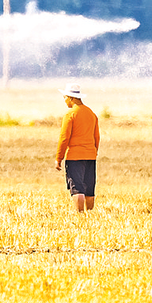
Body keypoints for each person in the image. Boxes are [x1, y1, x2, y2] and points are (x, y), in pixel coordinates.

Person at [55, 83, 100, 213]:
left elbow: (64, 138)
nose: (65, 101)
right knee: (89, 189)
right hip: (90, 156)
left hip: (75, 156)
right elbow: (96, 137)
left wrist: (59, 158)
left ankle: (80, 215)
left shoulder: (70, 115)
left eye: (65, 98)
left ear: (71, 98)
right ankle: (90, 214)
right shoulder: (91, 113)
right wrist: (94, 152)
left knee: (77, 188)